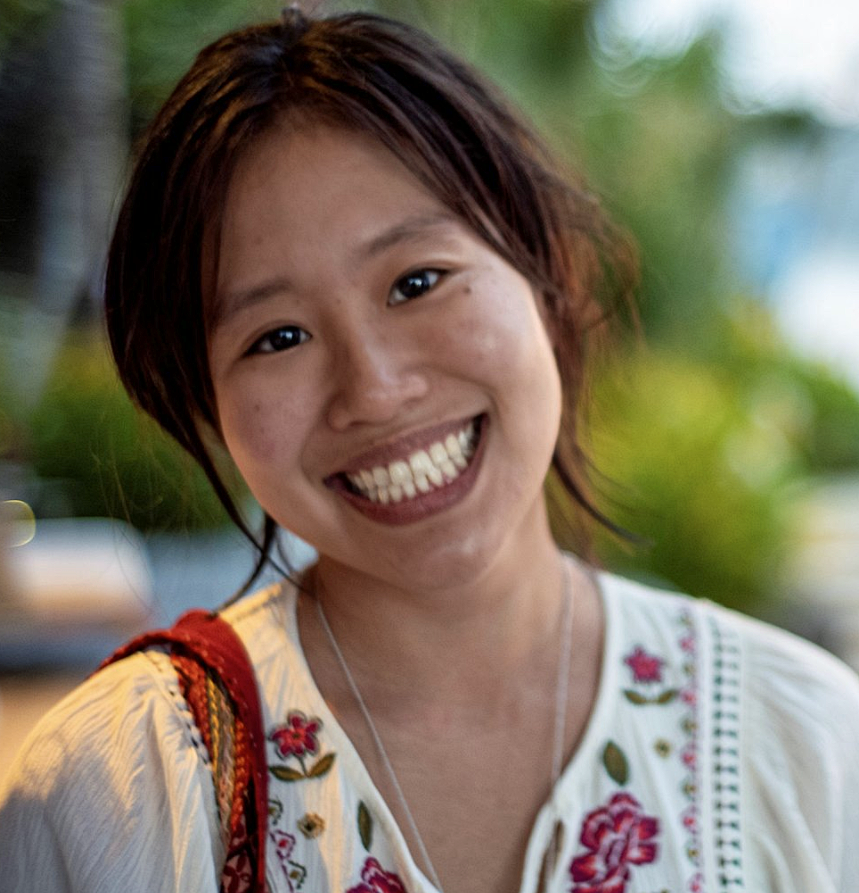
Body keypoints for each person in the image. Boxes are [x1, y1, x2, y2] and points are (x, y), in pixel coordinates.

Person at [1, 8, 858, 893]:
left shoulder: (806, 744)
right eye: (277, 336)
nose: (373, 389)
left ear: (543, 274)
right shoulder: (115, 795)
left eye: (416, 281)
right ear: (206, 405)